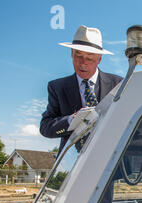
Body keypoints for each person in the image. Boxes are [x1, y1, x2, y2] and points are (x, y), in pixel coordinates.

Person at [40, 25, 123, 153]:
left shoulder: (118, 84)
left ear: (99, 59)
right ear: (71, 54)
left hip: (110, 157)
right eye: (78, 55)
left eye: (89, 58)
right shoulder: (57, 87)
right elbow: (45, 127)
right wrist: (71, 120)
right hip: (74, 163)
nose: (82, 62)